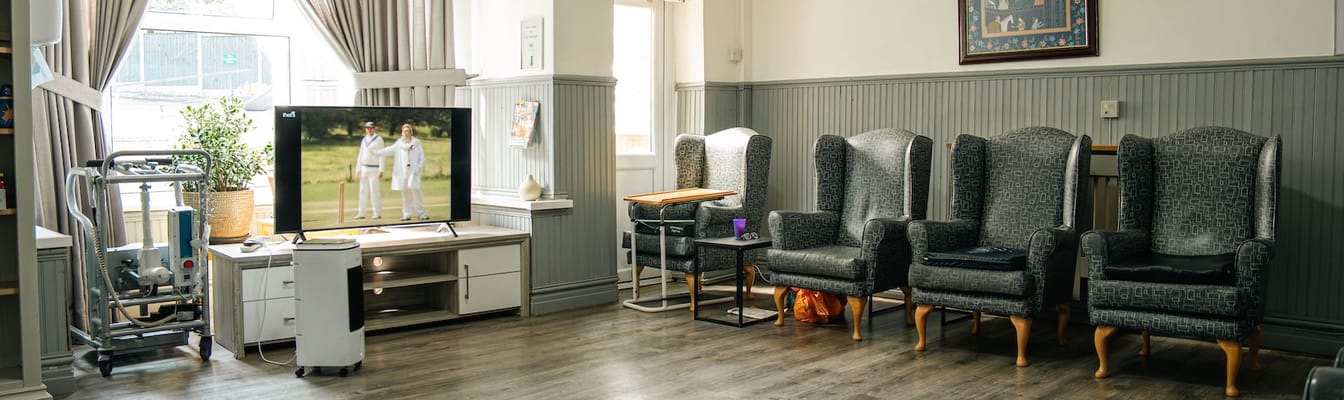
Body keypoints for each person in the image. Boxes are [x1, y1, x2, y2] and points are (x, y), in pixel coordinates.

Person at [376, 123, 427, 220]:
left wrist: (418, 168)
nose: (406, 133)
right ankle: (407, 214)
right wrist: (377, 152)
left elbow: (422, 158)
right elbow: (389, 150)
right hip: (403, 172)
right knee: (405, 193)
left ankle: (421, 214)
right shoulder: (399, 144)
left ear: (410, 132)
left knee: (416, 192)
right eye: (404, 131)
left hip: (413, 172)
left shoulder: (416, 143)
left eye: (407, 131)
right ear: (402, 132)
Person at [354, 121, 384, 219]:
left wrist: (381, 169)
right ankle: (361, 213)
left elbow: (382, 155)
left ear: (374, 129)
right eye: (367, 128)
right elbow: (360, 154)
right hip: (364, 168)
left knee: (374, 191)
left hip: (374, 168)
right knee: (362, 190)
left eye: (371, 128)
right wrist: (357, 168)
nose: (369, 130)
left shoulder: (378, 139)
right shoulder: (364, 139)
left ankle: (377, 213)